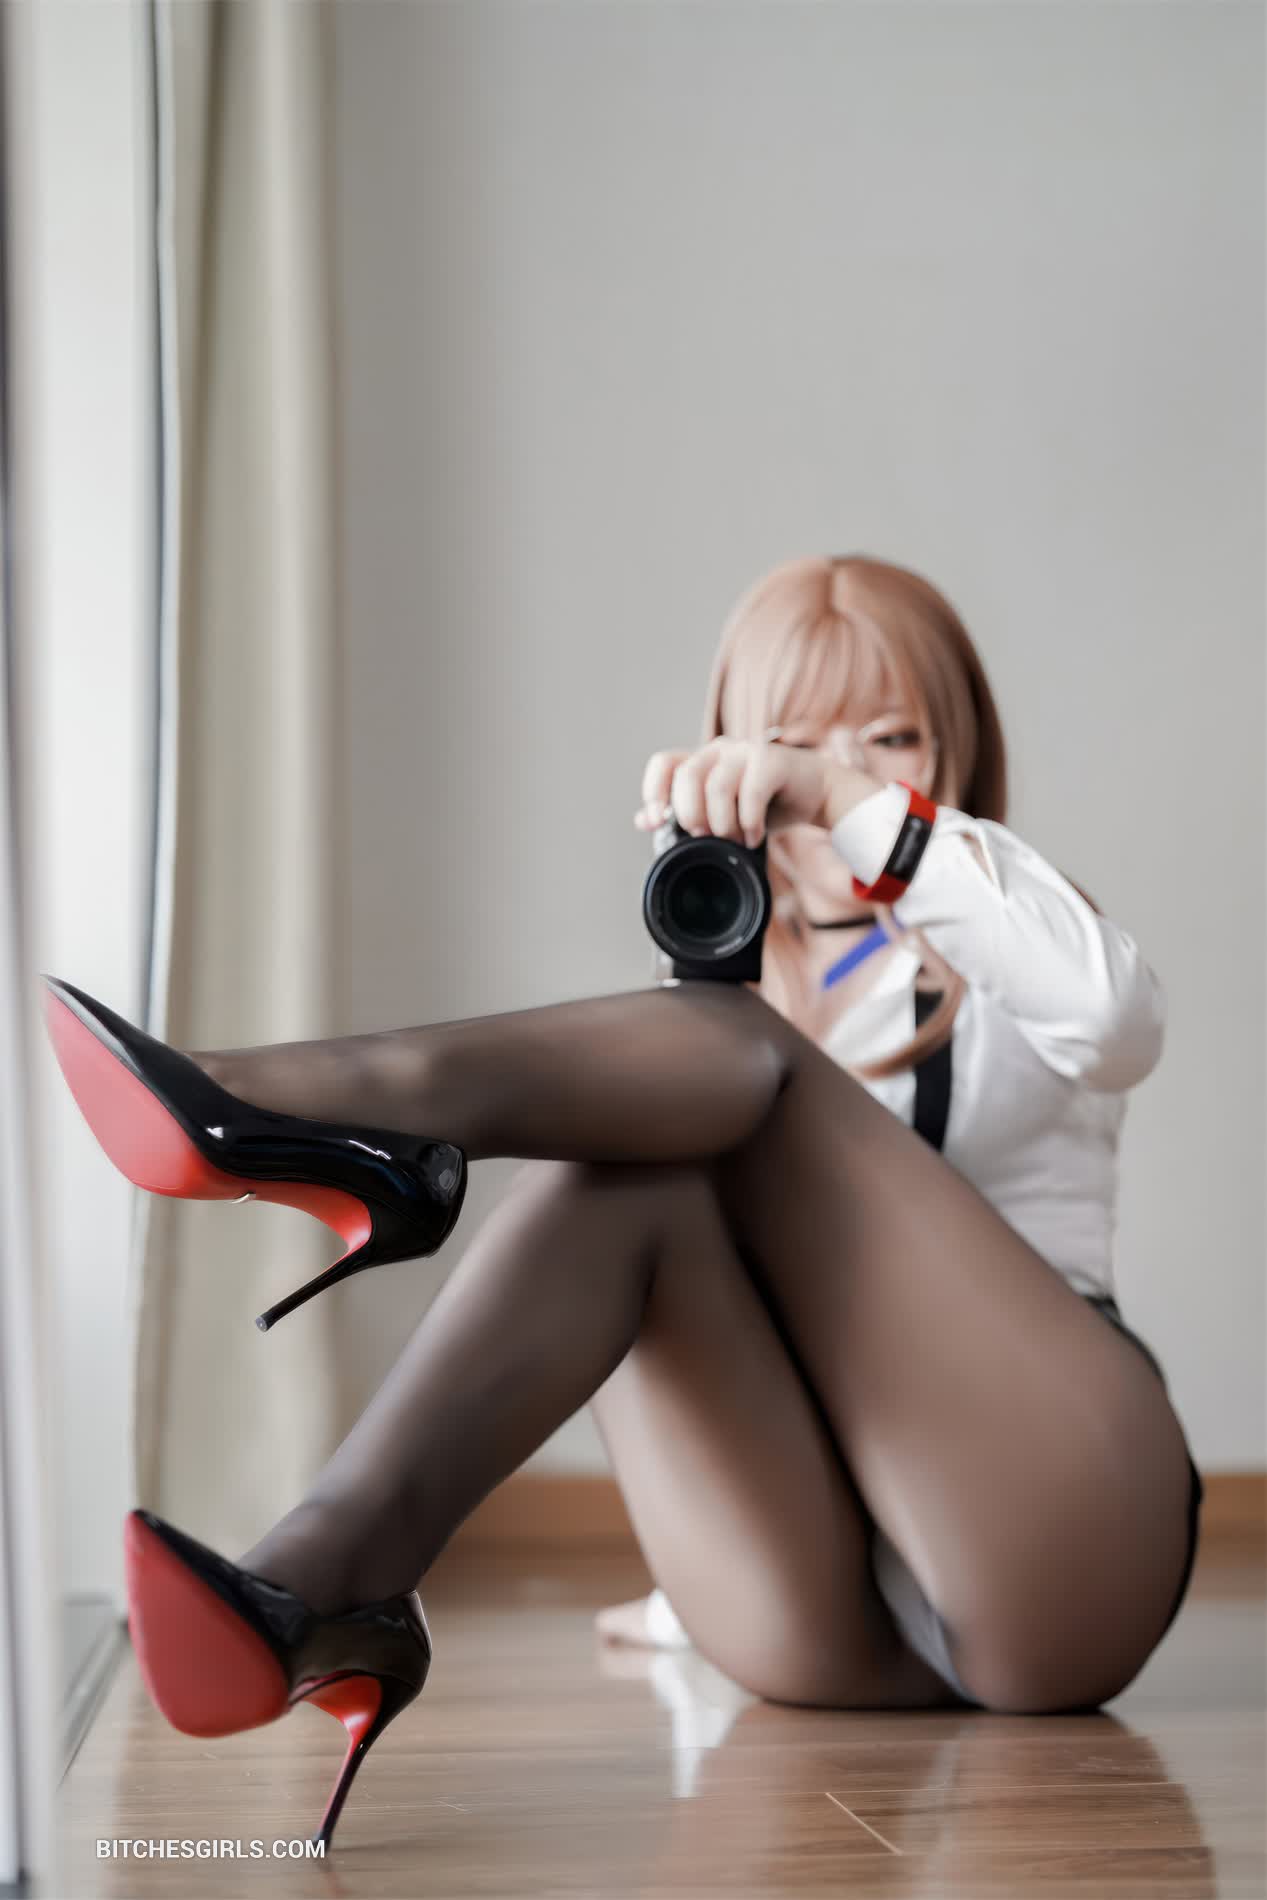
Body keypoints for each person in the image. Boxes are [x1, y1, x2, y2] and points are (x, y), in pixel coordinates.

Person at [43, 553, 1203, 1849]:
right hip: (847, 1624)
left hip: (1066, 1540)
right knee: (629, 1166)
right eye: (792, 745)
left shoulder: (1011, 929)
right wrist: (685, 1584)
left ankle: (302, 1110)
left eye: (888, 740)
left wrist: (847, 802)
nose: (829, 778)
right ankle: (317, 1584)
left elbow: (1118, 1018)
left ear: (951, 753)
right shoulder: (734, 985)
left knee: (737, 1064)